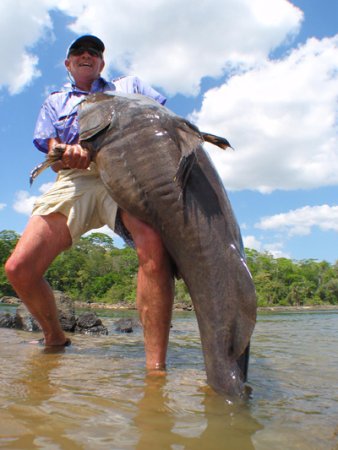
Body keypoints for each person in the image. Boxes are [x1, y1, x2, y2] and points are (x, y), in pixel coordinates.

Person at [5, 35, 175, 372]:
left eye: (94, 52)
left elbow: (161, 120)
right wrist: (67, 154)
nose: (87, 55)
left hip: (126, 171)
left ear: (102, 63)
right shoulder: (55, 102)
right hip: (75, 178)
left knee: (154, 246)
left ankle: (156, 369)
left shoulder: (130, 85)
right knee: (18, 269)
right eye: (78, 52)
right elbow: (53, 157)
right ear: (68, 63)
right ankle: (55, 336)